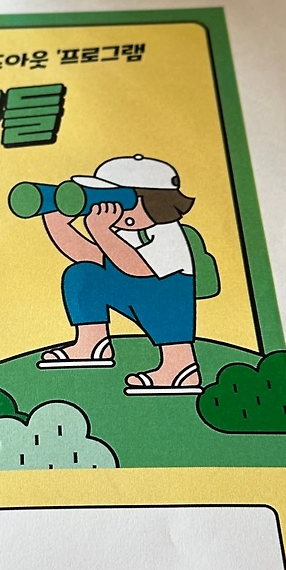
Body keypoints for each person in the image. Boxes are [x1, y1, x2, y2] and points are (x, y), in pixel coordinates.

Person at [38, 154, 203, 395]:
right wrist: (57, 223)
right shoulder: (122, 230)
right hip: (131, 290)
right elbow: (94, 257)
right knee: (83, 274)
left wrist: (101, 231)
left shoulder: (167, 234)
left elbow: (138, 269)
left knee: (167, 309)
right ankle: (92, 344)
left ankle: (180, 366)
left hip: (165, 295)